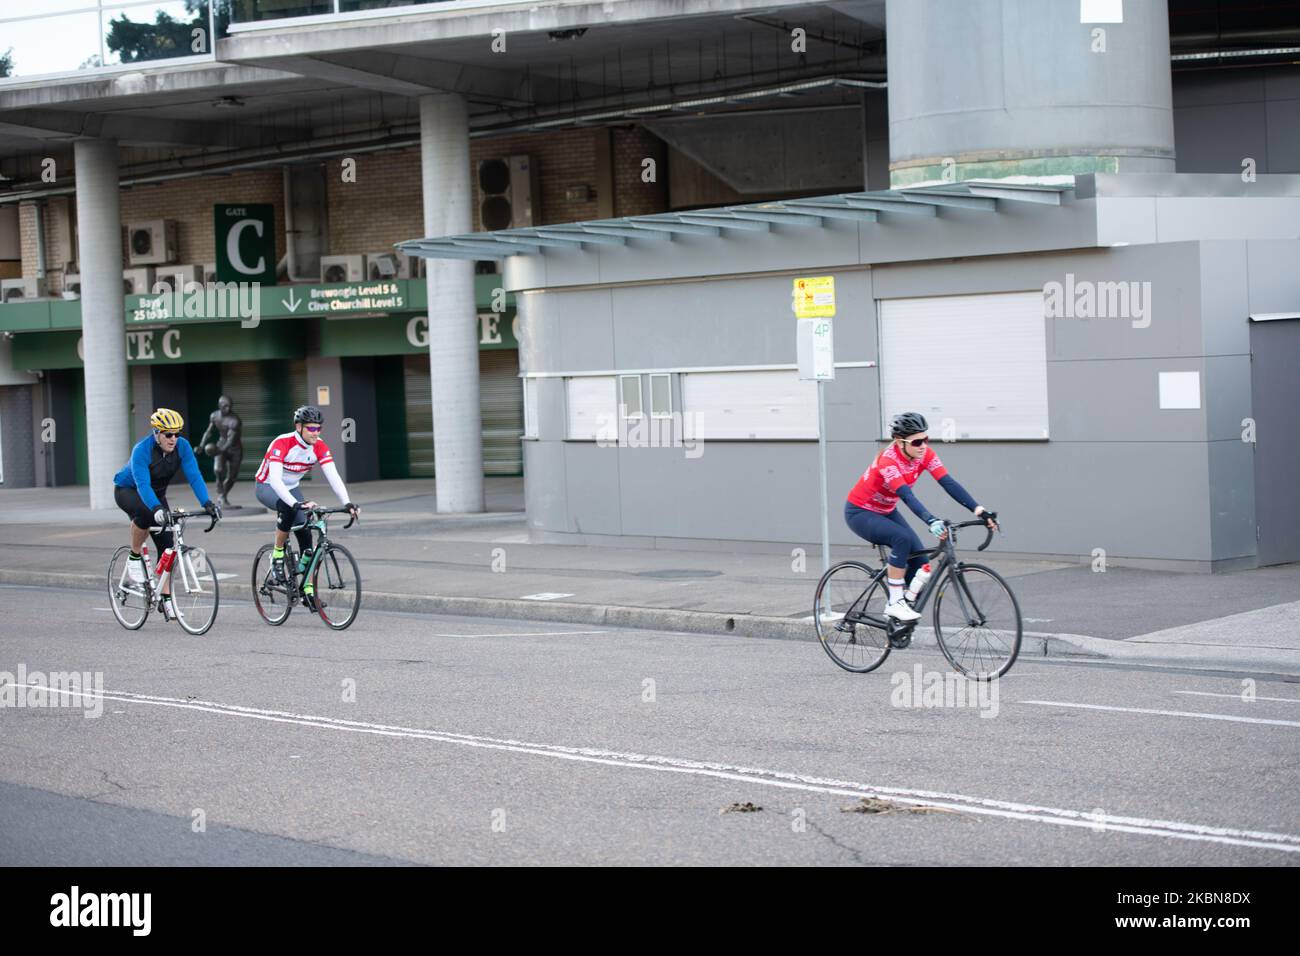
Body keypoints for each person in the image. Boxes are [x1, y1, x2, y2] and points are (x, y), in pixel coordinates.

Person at [844, 411, 997, 622]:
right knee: (902, 539)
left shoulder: (924, 454)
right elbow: (906, 495)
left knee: (920, 561)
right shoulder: (887, 461)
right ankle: (894, 604)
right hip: (860, 512)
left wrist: (978, 510)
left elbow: (948, 482)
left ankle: (899, 619)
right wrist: (931, 520)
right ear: (899, 442)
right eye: (917, 441)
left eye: (925, 439)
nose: (923, 445)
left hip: (886, 511)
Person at [112, 408, 220, 621]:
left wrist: (207, 503)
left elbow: (195, 476)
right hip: (129, 490)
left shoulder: (183, 447)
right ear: (156, 433)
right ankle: (135, 557)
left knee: (168, 547)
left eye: (177, 434)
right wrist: (156, 509)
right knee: (144, 514)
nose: (173, 439)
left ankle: (167, 599)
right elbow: (142, 485)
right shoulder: (141, 450)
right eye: (168, 434)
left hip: (157, 495)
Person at [254, 405, 359, 609]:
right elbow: (275, 480)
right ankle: (277, 555)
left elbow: (333, 476)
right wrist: (296, 504)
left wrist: (347, 502)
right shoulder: (282, 443)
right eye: (311, 428)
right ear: (299, 426)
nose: (316, 433)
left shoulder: (319, 446)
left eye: (318, 428)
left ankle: (307, 589)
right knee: (289, 507)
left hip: (292, 488)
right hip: (266, 486)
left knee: (307, 542)